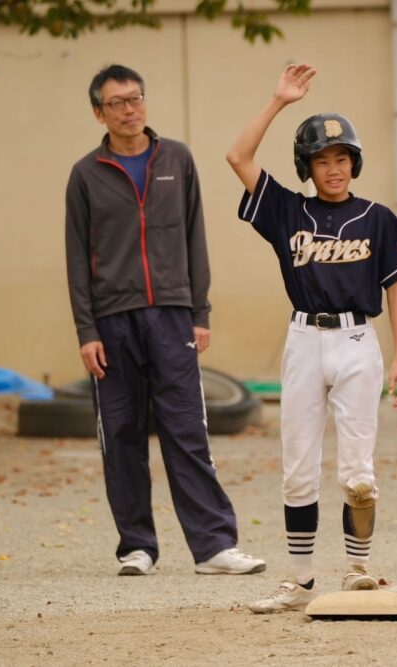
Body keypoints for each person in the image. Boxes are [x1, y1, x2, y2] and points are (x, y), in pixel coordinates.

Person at [225, 64, 397, 613]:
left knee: (358, 473)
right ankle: (302, 580)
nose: (333, 168)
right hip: (303, 341)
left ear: (354, 163)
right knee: (298, 467)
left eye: (342, 158)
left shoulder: (377, 218)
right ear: (306, 167)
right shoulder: (289, 209)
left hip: (359, 342)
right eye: (322, 160)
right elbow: (237, 158)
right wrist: (277, 101)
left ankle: (358, 568)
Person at [65, 64, 265, 577]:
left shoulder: (177, 159)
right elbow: (76, 257)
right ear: (98, 113)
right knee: (122, 433)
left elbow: (195, 236)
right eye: (117, 103)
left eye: (136, 99)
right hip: (112, 323)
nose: (130, 110)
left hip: (173, 317)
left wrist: (200, 312)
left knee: (186, 430)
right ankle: (137, 546)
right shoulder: (86, 175)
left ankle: (214, 546)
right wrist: (86, 331)